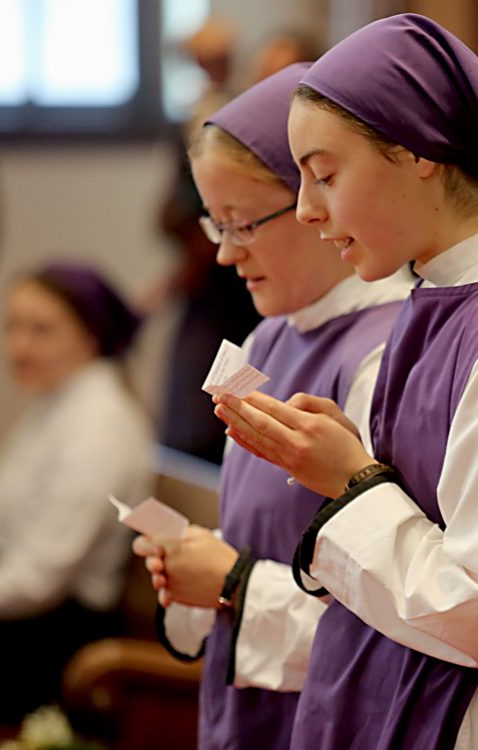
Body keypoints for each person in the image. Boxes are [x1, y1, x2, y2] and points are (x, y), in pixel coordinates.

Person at [212, 14, 478, 749]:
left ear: (414, 152)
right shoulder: (443, 294)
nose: (310, 209)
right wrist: (353, 463)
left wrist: (351, 486)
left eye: (325, 174)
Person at [131, 63, 411, 750]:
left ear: (317, 202)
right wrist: (196, 561)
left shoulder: (388, 350)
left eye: (241, 224)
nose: (224, 253)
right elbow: (252, 524)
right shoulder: (265, 337)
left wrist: (230, 582)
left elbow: (399, 610)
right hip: (245, 704)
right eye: (212, 224)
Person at [0, 263, 152, 722]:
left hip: (52, 639)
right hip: (22, 612)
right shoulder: (58, 402)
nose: (18, 346)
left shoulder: (99, 425)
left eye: (41, 330)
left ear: (91, 335)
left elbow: (39, 580)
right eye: (12, 326)